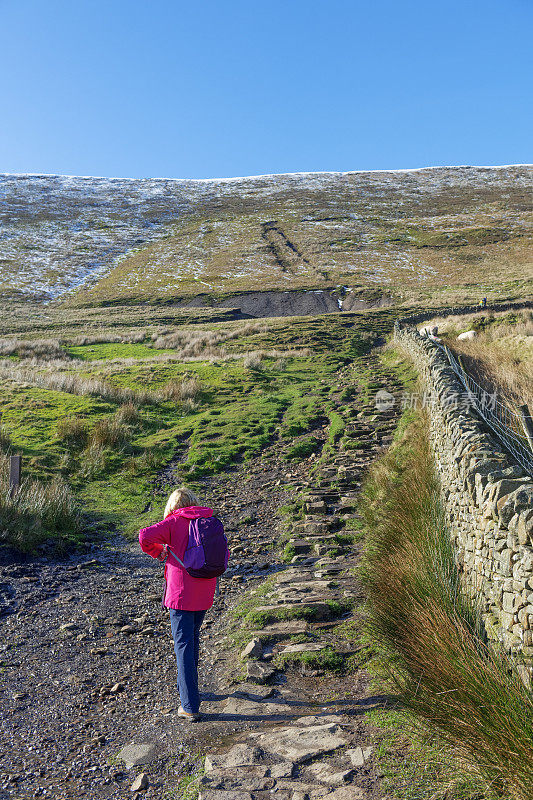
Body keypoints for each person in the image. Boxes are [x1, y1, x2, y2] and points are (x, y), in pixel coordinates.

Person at [139, 487, 217, 722]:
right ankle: (192, 692)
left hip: (181, 593)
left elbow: (144, 536)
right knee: (192, 640)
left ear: (173, 506)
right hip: (204, 589)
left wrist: (159, 552)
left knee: (183, 645)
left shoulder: (174, 522)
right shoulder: (208, 520)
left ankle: (190, 705)